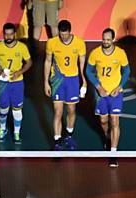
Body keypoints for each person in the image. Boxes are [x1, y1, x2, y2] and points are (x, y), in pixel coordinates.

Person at [87, 28, 130, 167]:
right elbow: (88, 70)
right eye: (104, 39)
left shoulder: (120, 53)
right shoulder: (95, 53)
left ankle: (113, 153)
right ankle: (107, 136)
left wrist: (119, 87)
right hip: (101, 94)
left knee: (115, 121)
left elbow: (127, 71)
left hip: (116, 93)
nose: (105, 42)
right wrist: (98, 87)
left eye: (108, 39)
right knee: (104, 122)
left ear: (113, 40)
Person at [45, 20, 87, 150]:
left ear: (70, 31)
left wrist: (83, 81)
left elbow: (81, 64)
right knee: (58, 112)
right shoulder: (52, 42)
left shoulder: (79, 43)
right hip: (58, 80)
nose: (63, 37)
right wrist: (46, 82)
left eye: (66, 34)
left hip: (73, 80)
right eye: (61, 34)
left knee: (71, 110)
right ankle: (57, 142)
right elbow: (47, 61)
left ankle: (69, 136)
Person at [0, 23, 33, 145]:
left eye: (10, 34)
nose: (8, 36)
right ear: (3, 34)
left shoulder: (22, 47)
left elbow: (29, 62)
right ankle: (3, 129)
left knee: (17, 109)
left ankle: (16, 132)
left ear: (15, 34)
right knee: (3, 108)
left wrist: (19, 72)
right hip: (3, 83)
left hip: (17, 83)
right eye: (6, 34)